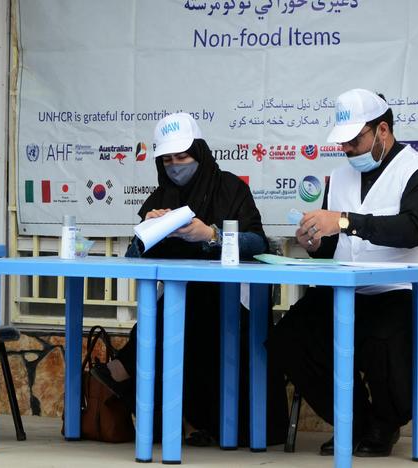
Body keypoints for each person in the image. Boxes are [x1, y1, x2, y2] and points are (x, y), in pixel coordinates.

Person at [267, 89, 418, 457]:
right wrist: (314, 242)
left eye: (355, 140)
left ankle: (384, 423)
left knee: (383, 339)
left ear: (382, 130)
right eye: (342, 142)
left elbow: (412, 229)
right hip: (350, 289)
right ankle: (354, 421)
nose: (347, 149)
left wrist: (344, 221)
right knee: (290, 337)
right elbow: (336, 246)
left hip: (405, 291)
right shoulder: (338, 176)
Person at [91, 112, 289, 447]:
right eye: (167, 159)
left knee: (184, 306)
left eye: (182, 157)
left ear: (199, 153)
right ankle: (185, 416)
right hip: (185, 306)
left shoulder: (231, 189)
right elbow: (134, 260)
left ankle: (123, 369)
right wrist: (147, 232)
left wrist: (210, 235)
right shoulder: (160, 198)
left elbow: (257, 243)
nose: (175, 165)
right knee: (176, 307)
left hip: (234, 305)